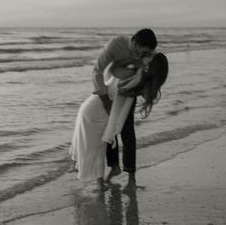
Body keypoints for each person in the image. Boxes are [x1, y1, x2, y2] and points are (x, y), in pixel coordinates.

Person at [69, 52, 168, 191]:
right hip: (105, 106)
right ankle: (110, 173)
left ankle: (118, 179)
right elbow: (118, 83)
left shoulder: (142, 76)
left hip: (110, 105)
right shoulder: (138, 73)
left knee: (111, 139)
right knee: (104, 138)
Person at [92, 28, 158, 191]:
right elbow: (97, 71)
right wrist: (105, 100)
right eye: (142, 52)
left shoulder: (146, 54)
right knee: (108, 131)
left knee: (127, 132)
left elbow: (148, 78)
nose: (144, 56)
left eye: (148, 53)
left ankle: (131, 180)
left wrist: (147, 93)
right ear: (134, 43)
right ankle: (114, 166)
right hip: (108, 91)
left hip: (128, 93)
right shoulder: (116, 45)